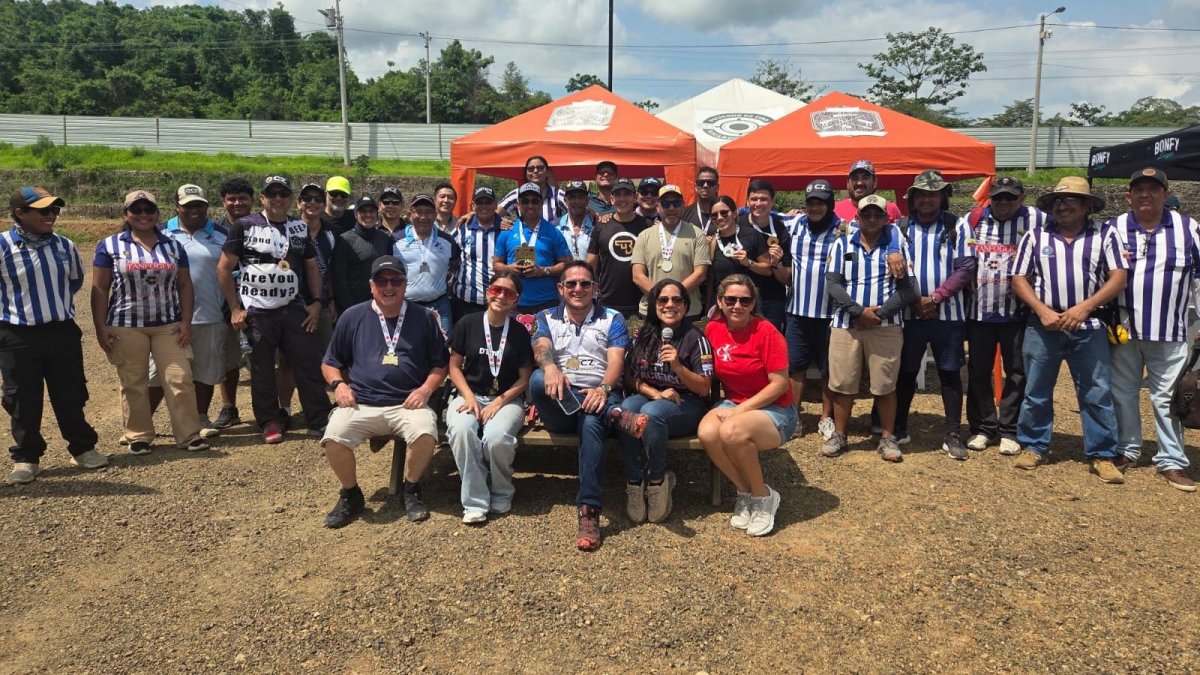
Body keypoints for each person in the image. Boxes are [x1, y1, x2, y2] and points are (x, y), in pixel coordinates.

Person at [1010, 176, 1128, 483]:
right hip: (1043, 324)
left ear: (1086, 205)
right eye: (1057, 202)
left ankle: (1102, 454)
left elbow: (1117, 278)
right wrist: (1042, 310)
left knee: (1095, 392)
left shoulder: (1105, 235)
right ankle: (1033, 446)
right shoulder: (1035, 237)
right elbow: (1019, 278)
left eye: (1070, 201)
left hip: (1087, 325)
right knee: (1036, 390)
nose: (1062, 207)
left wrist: (1084, 307)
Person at [320, 256, 449, 528]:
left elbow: (441, 364)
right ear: (371, 285)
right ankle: (351, 494)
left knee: (426, 433)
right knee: (333, 437)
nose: (389, 286)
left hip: (407, 404)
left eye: (396, 281)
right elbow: (330, 363)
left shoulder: (425, 318)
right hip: (362, 403)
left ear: (405, 284)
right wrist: (339, 385)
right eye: (382, 281)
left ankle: (411, 488)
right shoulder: (352, 316)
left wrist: (426, 389)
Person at [217, 175, 333, 444]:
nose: (278, 199)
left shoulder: (299, 228)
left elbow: (312, 267)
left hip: (293, 309)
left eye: (283, 194)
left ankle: (319, 418)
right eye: (272, 194)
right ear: (262, 198)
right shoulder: (245, 226)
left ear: (291, 199)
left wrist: (317, 302)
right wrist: (235, 308)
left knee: (306, 364)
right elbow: (223, 269)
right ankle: (270, 420)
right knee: (261, 369)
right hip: (257, 311)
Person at [2, 187, 105, 484]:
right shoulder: (3, 245)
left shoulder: (65, 246)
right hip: (17, 334)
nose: (51, 216)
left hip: (61, 331)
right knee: (22, 398)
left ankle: (83, 447)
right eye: (44, 211)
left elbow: (74, 282)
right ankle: (27, 457)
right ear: (20, 213)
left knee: (71, 392)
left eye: (55, 210)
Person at [92, 190, 207, 454]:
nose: (143, 215)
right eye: (137, 210)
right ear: (126, 214)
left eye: (148, 210)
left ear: (157, 214)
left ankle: (189, 434)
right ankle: (138, 436)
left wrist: (186, 321)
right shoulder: (109, 246)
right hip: (126, 323)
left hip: (168, 323)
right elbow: (100, 288)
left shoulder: (172, 246)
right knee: (134, 381)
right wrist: (101, 327)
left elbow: (185, 284)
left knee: (179, 378)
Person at [1109, 168, 1200, 491]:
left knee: (1168, 398)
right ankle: (1127, 449)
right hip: (1123, 329)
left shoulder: (1189, 229)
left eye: (1153, 189)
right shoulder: (1114, 228)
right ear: (1128, 196)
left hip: (1171, 329)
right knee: (1122, 392)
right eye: (1140, 190)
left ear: (1165, 193)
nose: (1146, 195)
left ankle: (1172, 461)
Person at [529, 261, 628, 551]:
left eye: (585, 283)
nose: (578, 289)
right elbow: (540, 348)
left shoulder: (613, 317)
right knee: (537, 379)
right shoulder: (545, 316)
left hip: (599, 396)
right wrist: (550, 368)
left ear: (596, 288)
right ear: (560, 289)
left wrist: (604, 388)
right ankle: (614, 414)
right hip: (558, 406)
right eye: (571, 283)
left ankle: (589, 512)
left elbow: (617, 361)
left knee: (591, 419)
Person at [698, 275, 796, 537]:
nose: (737, 306)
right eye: (730, 300)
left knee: (732, 431)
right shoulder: (713, 329)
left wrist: (739, 411)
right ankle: (745, 492)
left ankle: (764, 497)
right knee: (707, 433)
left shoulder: (767, 333)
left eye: (745, 300)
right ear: (720, 302)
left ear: (753, 304)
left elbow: (779, 384)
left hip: (775, 409)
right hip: (734, 402)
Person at [822, 195, 918, 462]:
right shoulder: (841, 245)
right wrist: (858, 312)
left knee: (885, 384)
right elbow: (832, 285)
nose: (872, 219)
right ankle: (840, 435)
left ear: (887, 219)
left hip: (885, 326)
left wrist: (879, 314)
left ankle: (888, 438)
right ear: (858, 218)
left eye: (878, 215)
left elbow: (909, 289)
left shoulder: (896, 248)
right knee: (842, 383)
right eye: (867, 215)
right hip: (846, 324)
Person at [892, 169, 974, 459]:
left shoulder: (957, 225)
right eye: (921, 194)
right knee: (906, 372)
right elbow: (893, 268)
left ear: (943, 197)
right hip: (911, 313)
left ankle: (952, 433)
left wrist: (937, 297)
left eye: (933, 193)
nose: (927, 199)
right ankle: (899, 426)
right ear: (912, 198)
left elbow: (965, 268)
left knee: (950, 373)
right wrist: (916, 300)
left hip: (948, 314)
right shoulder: (899, 228)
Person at [619, 280, 713, 524]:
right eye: (663, 300)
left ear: (685, 305)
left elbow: (704, 387)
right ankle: (634, 480)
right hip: (652, 397)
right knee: (628, 409)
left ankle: (658, 481)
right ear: (654, 305)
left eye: (677, 300)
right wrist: (654, 392)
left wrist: (678, 367)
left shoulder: (695, 338)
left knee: (651, 413)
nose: (670, 305)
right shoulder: (643, 334)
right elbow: (629, 376)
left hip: (687, 403)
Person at [963, 176, 1045, 456]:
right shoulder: (974, 219)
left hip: (1018, 314)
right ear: (990, 199)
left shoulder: (1037, 219)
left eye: (1010, 198)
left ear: (1022, 198)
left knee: (1017, 373)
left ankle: (1010, 430)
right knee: (978, 372)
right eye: (998, 198)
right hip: (980, 312)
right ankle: (983, 428)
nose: (1004, 203)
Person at [445, 271, 534, 524]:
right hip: (468, 394)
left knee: (496, 438)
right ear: (487, 293)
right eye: (496, 290)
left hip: (507, 399)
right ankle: (474, 500)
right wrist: (469, 397)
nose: (501, 296)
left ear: (516, 301)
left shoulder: (518, 332)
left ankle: (502, 490)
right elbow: (454, 368)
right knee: (462, 431)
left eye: (509, 293)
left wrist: (499, 401)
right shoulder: (467, 323)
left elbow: (524, 378)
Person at [148, 185, 228, 437]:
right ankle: (143, 424)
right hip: (167, 318)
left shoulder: (222, 234)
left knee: (205, 371)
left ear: (206, 206)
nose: (194, 210)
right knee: (158, 374)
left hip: (210, 313)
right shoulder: (158, 233)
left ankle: (200, 418)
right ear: (176, 207)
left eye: (199, 205)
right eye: (188, 205)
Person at [783, 180, 841, 440]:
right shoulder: (795, 223)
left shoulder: (843, 229)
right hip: (797, 311)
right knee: (796, 367)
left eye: (821, 202)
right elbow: (759, 214)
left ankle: (826, 418)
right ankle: (794, 416)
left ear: (830, 204)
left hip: (831, 313)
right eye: (811, 203)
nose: (816, 207)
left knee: (829, 369)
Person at [212, 177, 256, 431]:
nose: (237, 203)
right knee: (228, 358)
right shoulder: (215, 232)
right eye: (232, 198)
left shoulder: (262, 226)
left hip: (258, 302)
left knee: (262, 360)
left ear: (252, 200)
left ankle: (265, 409)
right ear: (223, 201)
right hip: (224, 304)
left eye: (242, 198)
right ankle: (229, 407)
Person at [631, 184, 710, 320]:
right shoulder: (644, 235)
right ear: (657, 206)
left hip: (687, 310)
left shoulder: (697, 234)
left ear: (683, 205)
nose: (671, 208)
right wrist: (661, 298)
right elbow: (638, 275)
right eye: (666, 204)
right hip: (651, 308)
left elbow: (700, 273)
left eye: (676, 203)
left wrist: (674, 298)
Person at [494, 183, 571, 314]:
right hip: (513, 302)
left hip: (547, 303)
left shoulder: (553, 232)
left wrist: (543, 271)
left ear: (541, 204)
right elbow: (496, 265)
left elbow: (567, 264)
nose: (530, 205)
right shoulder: (507, 230)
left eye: (535, 201)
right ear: (518, 205)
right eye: (525, 201)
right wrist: (509, 268)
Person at [394, 193, 460, 336]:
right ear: (410, 214)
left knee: (443, 347)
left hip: (440, 305)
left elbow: (457, 263)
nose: (423, 217)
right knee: (409, 347)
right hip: (407, 304)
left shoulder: (447, 240)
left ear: (435, 214)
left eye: (429, 212)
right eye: (419, 212)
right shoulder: (396, 240)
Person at [587, 178, 650, 318]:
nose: (622, 199)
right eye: (618, 194)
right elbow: (591, 265)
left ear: (635, 198)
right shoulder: (601, 226)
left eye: (626, 194)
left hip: (641, 303)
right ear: (611, 199)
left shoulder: (648, 226)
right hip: (608, 302)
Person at [738, 179, 792, 331]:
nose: (758, 203)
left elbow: (786, 279)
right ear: (747, 202)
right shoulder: (737, 225)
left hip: (772, 299)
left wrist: (776, 263)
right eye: (754, 199)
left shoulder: (781, 230)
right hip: (741, 298)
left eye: (764, 199)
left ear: (772, 202)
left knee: (769, 343)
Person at [450, 186, 504, 322]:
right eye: (480, 202)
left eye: (488, 202)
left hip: (498, 301)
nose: (484, 206)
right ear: (473, 205)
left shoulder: (507, 230)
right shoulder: (461, 229)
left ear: (495, 205)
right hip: (466, 303)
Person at [706, 195, 769, 309]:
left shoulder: (752, 235)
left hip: (748, 302)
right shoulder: (711, 241)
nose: (719, 218)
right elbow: (710, 279)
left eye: (724, 213)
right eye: (714, 215)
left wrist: (748, 263)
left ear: (734, 213)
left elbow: (768, 270)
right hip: (723, 302)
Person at [331, 195, 393, 311]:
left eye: (371, 211)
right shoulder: (345, 240)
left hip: (381, 303)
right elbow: (339, 278)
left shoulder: (385, 238)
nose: (368, 215)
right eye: (363, 211)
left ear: (377, 214)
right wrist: (349, 307)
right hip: (354, 305)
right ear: (356, 214)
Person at [499, 156, 566, 222]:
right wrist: (502, 222)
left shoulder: (557, 194)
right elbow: (494, 213)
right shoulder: (516, 194)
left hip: (552, 232)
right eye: (531, 169)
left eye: (540, 168)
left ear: (547, 172)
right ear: (526, 173)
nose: (535, 171)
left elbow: (575, 212)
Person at [833, 159, 903, 223]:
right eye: (855, 178)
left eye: (865, 178)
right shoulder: (834, 210)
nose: (859, 183)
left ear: (875, 182)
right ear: (848, 183)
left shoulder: (890, 209)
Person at [558, 180, 594, 261]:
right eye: (572, 197)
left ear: (587, 200)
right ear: (565, 201)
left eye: (581, 197)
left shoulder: (597, 226)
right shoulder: (556, 228)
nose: (577, 201)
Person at [682, 166, 720, 232]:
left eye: (710, 183)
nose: (705, 186)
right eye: (701, 183)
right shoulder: (684, 214)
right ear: (696, 187)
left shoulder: (724, 215)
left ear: (717, 187)